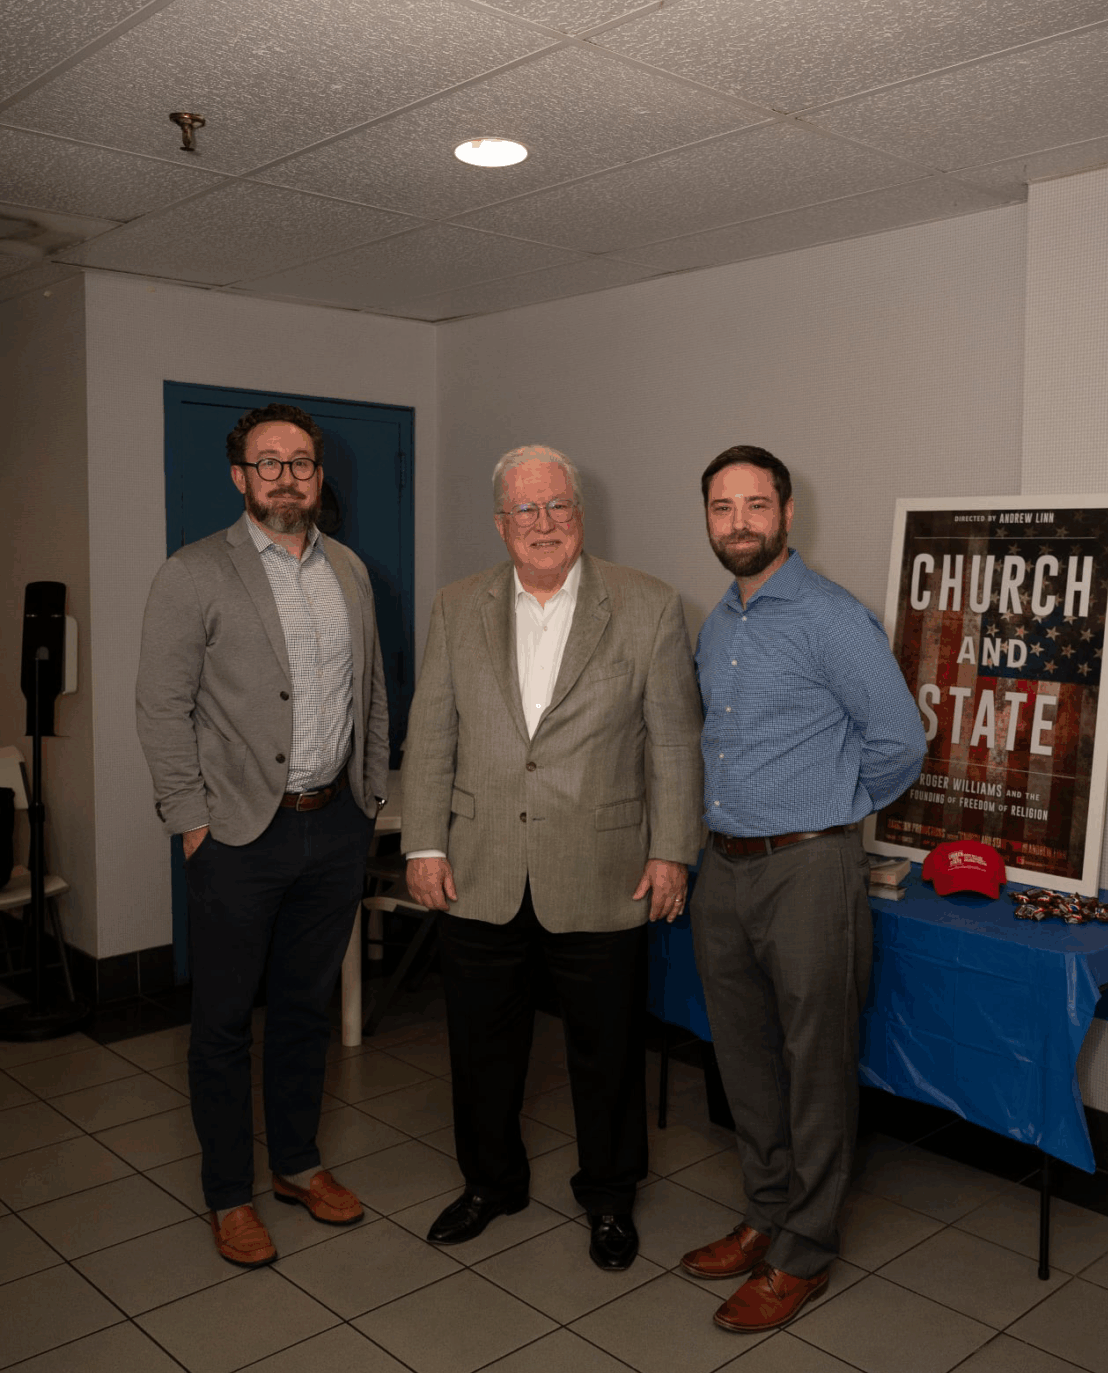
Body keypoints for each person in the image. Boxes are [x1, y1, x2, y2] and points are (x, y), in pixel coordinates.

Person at [400, 444, 703, 1270]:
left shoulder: (648, 604)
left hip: (604, 867)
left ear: (581, 513)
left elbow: (675, 742)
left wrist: (672, 851)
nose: (544, 523)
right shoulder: (456, 606)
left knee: (608, 1049)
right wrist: (424, 841)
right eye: (525, 510)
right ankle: (490, 1182)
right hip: (479, 863)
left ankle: (609, 1195)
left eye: (557, 505)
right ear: (501, 524)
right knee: (480, 1045)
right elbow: (432, 731)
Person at [136, 402, 389, 1267]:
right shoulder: (193, 573)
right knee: (222, 1025)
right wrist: (191, 823)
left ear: (319, 475)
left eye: (302, 461)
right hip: (238, 835)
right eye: (268, 461)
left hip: (334, 825)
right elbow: (161, 707)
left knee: (303, 1010)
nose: (287, 476)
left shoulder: (350, 570)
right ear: (240, 475)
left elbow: (371, 693)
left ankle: (296, 1164)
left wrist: (370, 797)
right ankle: (228, 1194)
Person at [681, 445, 925, 1330]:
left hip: (809, 869)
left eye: (755, 504)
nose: (738, 521)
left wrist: (834, 807)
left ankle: (806, 1248)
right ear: (708, 520)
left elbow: (900, 740)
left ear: (786, 514)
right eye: (722, 507)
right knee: (743, 1056)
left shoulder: (832, 618)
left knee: (815, 1062)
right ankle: (766, 1211)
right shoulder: (719, 623)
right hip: (724, 868)